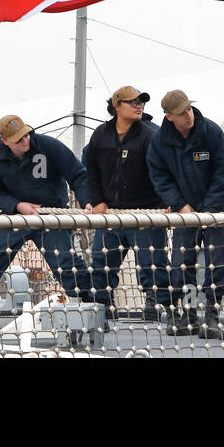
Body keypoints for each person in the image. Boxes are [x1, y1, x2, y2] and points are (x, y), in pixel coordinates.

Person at [0, 116, 94, 332]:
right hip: (15, 217)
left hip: (51, 216)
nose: (25, 140)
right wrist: (18, 205)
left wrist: (87, 201)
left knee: (65, 261)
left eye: (26, 134)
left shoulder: (49, 146)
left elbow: (78, 175)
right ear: (5, 141)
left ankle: (91, 306)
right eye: (18, 138)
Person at [146, 90, 224, 339]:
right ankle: (188, 314)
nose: (188, 115)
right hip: (184, 213)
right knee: (181, 264)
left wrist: (208, 210)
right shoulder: (159, 142)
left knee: (216, 260)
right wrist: (180, 205)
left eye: (189, 109)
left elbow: (223, 173)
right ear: (168, 117)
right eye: (181, 112)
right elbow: (159, 177)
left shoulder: (212, 132)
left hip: (215, 210)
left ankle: (211, 311)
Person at [83, 85, 171, 323]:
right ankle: (101, 305)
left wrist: (167, 202)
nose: (138, 105)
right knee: (101, 264)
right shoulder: (100, 135)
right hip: (111, 213)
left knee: (153, 264)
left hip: (147, 212)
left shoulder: (150, 135)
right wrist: (96, 200)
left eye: (140, 102)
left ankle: (157, 305)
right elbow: (90, 170)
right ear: (116, 106)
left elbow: (164, 171)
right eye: (132, 102)